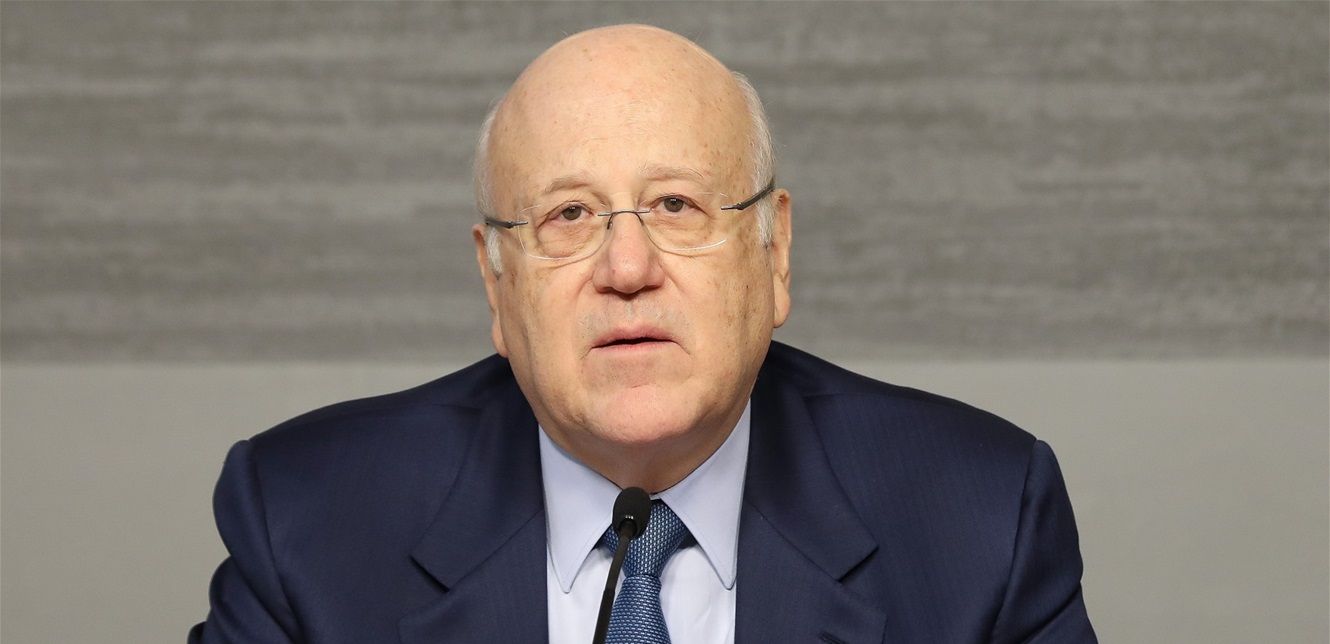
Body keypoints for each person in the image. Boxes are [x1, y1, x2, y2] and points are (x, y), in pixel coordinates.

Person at [190, 24, 1095, 644]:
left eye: (676, 205)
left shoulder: (981, 521)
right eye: (569, 215)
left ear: (774, 252)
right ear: (496, 284)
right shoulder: (308, 521)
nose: (627, 268)